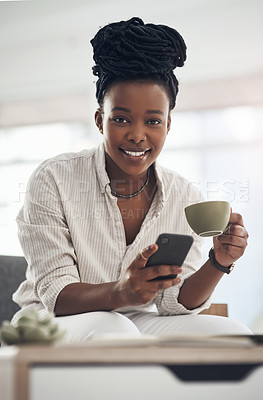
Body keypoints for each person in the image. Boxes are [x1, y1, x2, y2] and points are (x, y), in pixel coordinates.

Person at [12, 17, 252, 342]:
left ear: (167, 125)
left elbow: (174, 303)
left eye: (153, 121)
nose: (137, 136)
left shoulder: (184, 195)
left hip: (136, 320)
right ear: (100, 121)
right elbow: (57, 294)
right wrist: (122, 292)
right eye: (121, 119)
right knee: (117, 330)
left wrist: (219, 261)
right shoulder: (53, 179)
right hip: (54, 322)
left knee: (232, 335)